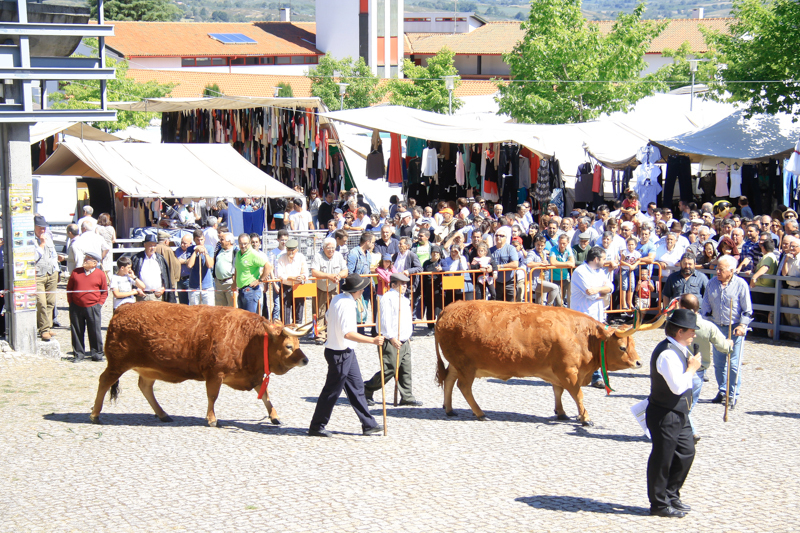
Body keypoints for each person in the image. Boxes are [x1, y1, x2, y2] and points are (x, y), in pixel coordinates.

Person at [308, 273, 385, 437]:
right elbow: (348, 334)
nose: (364, 289)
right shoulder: (348, 305)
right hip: (339, 353)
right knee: (331, 392)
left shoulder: (337, 298)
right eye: (362, 287)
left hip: (345, 351)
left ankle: (368, 424)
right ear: (358, 290)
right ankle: (317, 425)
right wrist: (373, 341)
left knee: (357, 388)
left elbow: (328, 317)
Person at [646, 308, 702, 518]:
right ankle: (659, 504)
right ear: (679, 332)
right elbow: (677, 387)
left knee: (686, 452)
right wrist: (692, 369)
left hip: (679, 412)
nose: (694, 335)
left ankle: (671, 494)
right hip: (664, 414)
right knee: (662, 459)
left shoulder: (680, 348)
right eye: (691, 331)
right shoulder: (668, 353)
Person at [678, 294, 732, 443]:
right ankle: (689, 433)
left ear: (683, 308)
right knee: (687, 404)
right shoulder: (708, 326)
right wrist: (729, 344)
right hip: (698, 371)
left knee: (683, 405)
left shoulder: (677, 325)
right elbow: (723, 348)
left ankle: (691, 433)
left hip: (681, 369)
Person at [701, 255, 753, 408]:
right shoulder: (711, 283)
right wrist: (705, 323)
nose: (717, 271)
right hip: (717, 327)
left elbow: (747, 310)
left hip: (734, 327)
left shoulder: (740, 284)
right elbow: (705, 307)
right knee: (718, 363)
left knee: (734, 363)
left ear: (731, 271)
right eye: (717, 268)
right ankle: (722, 390)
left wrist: (742, 326)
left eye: (721, 269)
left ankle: (733, 394)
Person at [363, 272, 422, 406]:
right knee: (389, 369)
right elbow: (385, 320)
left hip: (404, 339)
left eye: (406, 284)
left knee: (405, 368)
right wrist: (391, 337)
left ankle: (407, 395)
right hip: (390, 339)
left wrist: (408, 336)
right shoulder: (387, 298)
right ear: (393, 284)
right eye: (402, 284)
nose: (405, 286)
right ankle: (366, 388)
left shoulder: (404, 299)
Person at [570, 246, 614, 389]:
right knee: (581, 347)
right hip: (582, 316)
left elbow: (610, 288)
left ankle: (596, 376)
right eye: (603, 258)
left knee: (596, 346)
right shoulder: (580, 272)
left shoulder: (600, 272)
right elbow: (591, 293)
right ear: (596, 259)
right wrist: (602, 291)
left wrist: (600, 290)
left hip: (597, 316)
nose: (605, 261)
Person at [66, 252, 108, 363]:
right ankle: (79, 354)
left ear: (95, 263)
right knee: (77, 330)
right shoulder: (76, 272)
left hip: (93, 306)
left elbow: (104, 291)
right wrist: (71, 303)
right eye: (85, 258)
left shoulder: (100, 274)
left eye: (88, 259)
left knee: (95, 331)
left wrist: (99, 304)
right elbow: (69, 289)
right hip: (76, 306)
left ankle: (97, 354)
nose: (85, 261)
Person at [310, 238, 348, 344]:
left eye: (333, 248)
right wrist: (328, 276)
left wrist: (338, 275)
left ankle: (332, 334)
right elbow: (314, 272)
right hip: (320, 288)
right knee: (319, 312)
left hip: (333, 288)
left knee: (334, 311)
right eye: (328, 248)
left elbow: (345, 270)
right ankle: (319, 335)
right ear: (323, 248)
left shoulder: (339, 256)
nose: (331, 250)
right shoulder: (318, 256)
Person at [34, 215, 60, 341]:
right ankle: (43, 329)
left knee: (50, 302)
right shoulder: (31, 239)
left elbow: (53, 255)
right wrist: (42, 244)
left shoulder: (48, 237)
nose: (42, 231)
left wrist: (57, 271)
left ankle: (47, 327)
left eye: (44, 228)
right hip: (38, 275)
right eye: (40, 228)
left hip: (51, 273)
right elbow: (33, 257)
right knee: (41, 303)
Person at [235, 233, 273, 314]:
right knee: (242, 318)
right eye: (241, 244)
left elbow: (268, 266)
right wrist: (234, 282)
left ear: (249, 243)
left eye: (245, 243)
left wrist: (260, 280)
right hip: (241, 290)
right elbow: (237, 268)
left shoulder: (253, 254)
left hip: (250, 291)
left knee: (250, 319)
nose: (243, 246)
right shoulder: (238, 254)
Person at [132, 234, 172, 302]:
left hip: (157, 296)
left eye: (154, 245)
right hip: (142, 296)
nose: (153, 247)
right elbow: (131, 276)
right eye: (150, 245)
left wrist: (163, 288)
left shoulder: (160, 259)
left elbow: (166, 277)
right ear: (145, 245)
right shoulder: (137, 258)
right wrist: (136, 289)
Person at [527, 235, 561, 306]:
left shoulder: (544, 253)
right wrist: (540, 264)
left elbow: (545, 265)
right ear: (535, 244)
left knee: (539, 303)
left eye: (542, 245)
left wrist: (547, 264)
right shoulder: (532, 253)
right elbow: (528, 263)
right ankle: (548, 306)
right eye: (538, 245)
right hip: (536, 281)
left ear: (544, 245)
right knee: (555, 288)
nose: (540, 247)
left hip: (544, 278)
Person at [186, 229, 215, 306]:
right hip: (194, 286)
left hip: (207, 286)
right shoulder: (190, 249)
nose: (200, 242)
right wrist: (195, 252)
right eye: (198, 240)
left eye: (201, 240)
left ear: (204, 239)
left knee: (209, 310)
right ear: (194, 240)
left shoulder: (209, 248)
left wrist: (205, 253)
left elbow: (210, 265)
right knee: (194, 310)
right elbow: (189, 265)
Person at [490, 227, 520, 302]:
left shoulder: (511, 248)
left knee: (511, 304)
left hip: (509, 282)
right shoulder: (490, 250)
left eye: (501, 236)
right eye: (497, 235)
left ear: (506, 238)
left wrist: (500, 266)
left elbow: (515, 264)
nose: (498, 237)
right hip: (495, 282)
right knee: (497, 304)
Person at [155, 231, 180, 303]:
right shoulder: (167, 249)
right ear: (166, 241)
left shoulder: (153, 248)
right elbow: (174, 265)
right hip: (167, 281)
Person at [212, 232, 237, 307]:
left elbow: (236, 268)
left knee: (232, 308)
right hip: (219, 283)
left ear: (229, 241)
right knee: (220, 309)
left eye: (222, 239)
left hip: (229, 283)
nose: (220, 241)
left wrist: (234, 282)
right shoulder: (219, 250)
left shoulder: (235, 251)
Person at [550, 234, 575, 306]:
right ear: (558, 242)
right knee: (558, 302)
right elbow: (552, 262)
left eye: (564, 243)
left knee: (565, 299)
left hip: (565, 278)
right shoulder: (553, 249)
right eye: (560, 243)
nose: (562, 245)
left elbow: (572, 263)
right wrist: (567, 263)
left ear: (567, 242)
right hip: (554, 278)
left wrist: (558, 264)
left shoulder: (569, 249)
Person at [95, 213, 116, 277]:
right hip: (109, 247)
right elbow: (114, 240)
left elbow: (97, 238)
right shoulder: (111, 228)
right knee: (108, 268)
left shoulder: (98, 228)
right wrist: (109, 242)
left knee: (100, 266)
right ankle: (110, 283)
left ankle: (101, 282)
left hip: (101, 248)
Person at [174, 234, 193, 305]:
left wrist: (184, 261)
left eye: (185, 243)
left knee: (191, 302)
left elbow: (192, 262)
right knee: (182, 302)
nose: (182, 245)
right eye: (181, 242)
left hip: (189, 279)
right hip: (180, 280)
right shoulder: (177, 251)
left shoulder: (192, 251)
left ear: (190, 243)